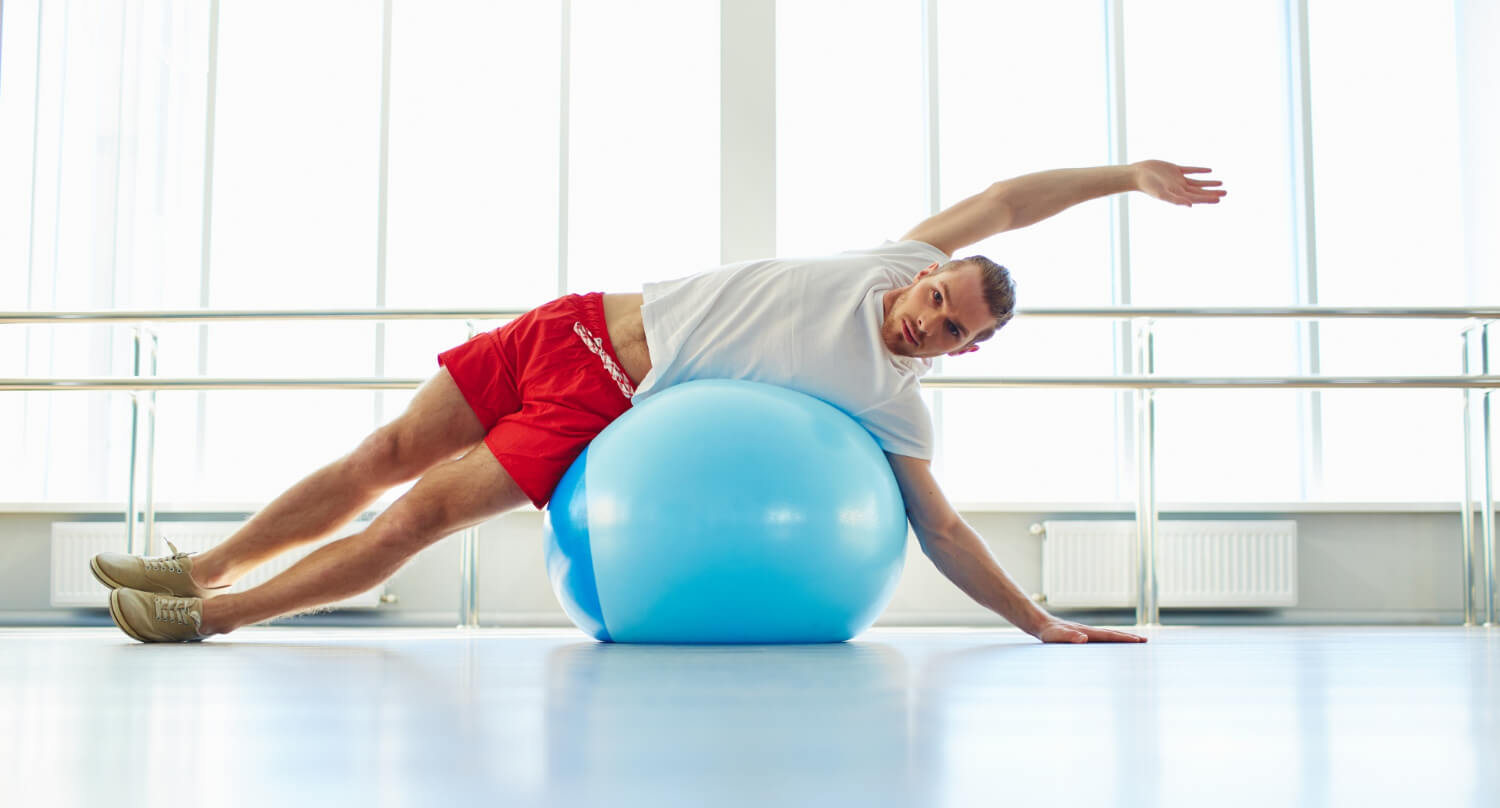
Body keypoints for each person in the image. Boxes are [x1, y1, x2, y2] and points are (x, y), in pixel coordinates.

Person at [93, 159, 1226, 644]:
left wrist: (1036, 618)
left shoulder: (892, 405)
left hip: (609, 392)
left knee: (419, 516)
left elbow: (942, 528)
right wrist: (1126, 178)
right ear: (925, 272)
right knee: (382, 450)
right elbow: (1006, 201)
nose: (923, 316)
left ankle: (215, 620)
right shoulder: (890, 259)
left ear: (962, 352)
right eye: (936, 294)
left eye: (948, 328)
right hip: (573, 317)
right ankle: (199, 571)